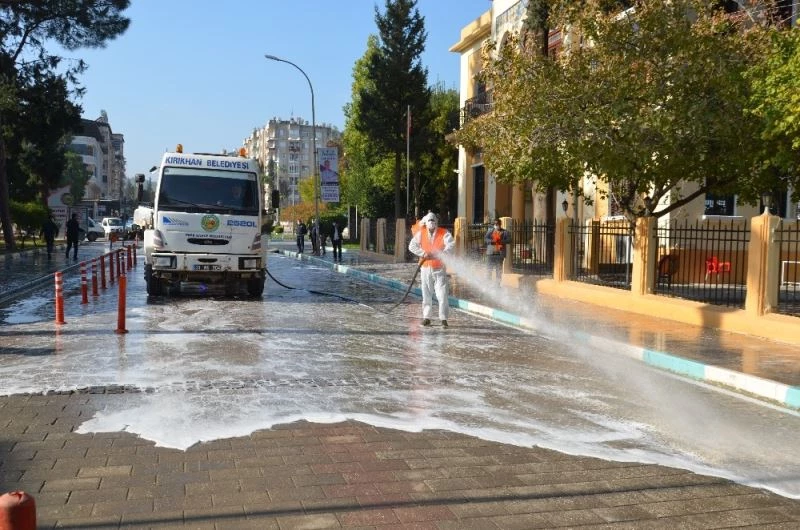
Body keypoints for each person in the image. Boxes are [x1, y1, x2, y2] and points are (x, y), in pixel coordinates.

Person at [408, 212, 455, 328]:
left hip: (439, 268)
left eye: (433, 221)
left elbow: (451, 245)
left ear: (436, 222)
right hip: (425, 268)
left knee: (442, 294)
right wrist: (423, 253)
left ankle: (443, 319)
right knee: (426, 294)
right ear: (426, 223)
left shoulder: (444, 233)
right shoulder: (421, 233)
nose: (431, 223)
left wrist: (441, 254)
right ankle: (426, 318)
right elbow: (412, 246)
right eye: (429, 221)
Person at [485, 218, 510, 285]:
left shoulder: (505, 232)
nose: (496, 225)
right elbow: (486, 239)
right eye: (495, 224)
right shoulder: (490, 231)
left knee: (498, 271)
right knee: (489, 270)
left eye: (497, 224)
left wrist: (501, 241)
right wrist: (491, 241)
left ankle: (497, 285)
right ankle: (488, 285)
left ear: (500, 224)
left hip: (499, 254)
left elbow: (509, 240)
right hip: (491, 254)